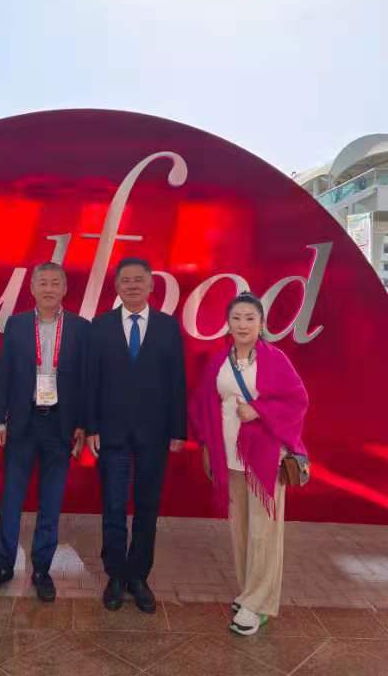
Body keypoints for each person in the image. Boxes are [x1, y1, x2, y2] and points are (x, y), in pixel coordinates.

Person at [191, 292, 309, 636]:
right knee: (240, 529)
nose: (243, 325)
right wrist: (207, 446)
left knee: (263, 532)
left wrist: (258, 410)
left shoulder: (275, 359)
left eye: (250, 318)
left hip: (265, 459)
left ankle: (258, 604)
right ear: (228, 324)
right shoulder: (219, 361)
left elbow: (298, 400)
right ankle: (249, 593)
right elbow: (203, 404)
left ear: (261, 323)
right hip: (229, 457)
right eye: (237, 318)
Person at [0, 262, 89, 602]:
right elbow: (5, 373)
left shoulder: (80, 328)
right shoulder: (17, 324)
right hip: (23, 423)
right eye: (43, 283)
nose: (49, 288)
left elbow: (86, 381)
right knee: (11, 498)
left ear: (65, 289)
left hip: (61, 425)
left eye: (55, 283)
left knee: (51, 501)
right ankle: (2, 566)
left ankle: (41, 569)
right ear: (32, 288)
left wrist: (83, 424)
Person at [86, 257, 187, 614]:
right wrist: (91, 427)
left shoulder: (167, 327)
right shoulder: (100, 326)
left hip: (154, 434)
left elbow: (177, 381)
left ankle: (139, 576)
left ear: (151, 285)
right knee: (113, 507)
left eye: (138, 280)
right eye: (125, 280)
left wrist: (178, 430)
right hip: (111, 432)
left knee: (147, 507)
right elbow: (90, 381)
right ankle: (115, 575)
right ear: (116, 286)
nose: (132, 285)